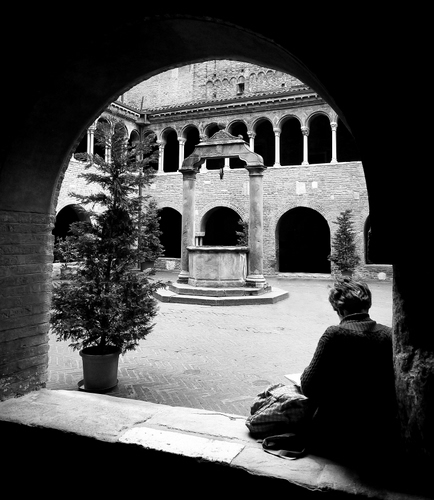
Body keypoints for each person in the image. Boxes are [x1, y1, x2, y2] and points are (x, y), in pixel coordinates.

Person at [300, 278, 398, 461]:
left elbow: (308, 386)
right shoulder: (389, 335)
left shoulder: (334, 334)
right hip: (378, 433)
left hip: (336, 432)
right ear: (367, 305)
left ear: (339, 309)